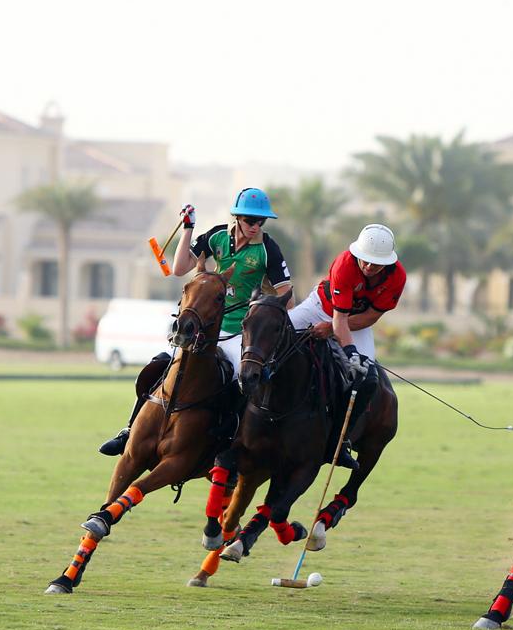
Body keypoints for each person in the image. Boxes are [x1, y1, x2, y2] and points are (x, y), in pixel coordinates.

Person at [98, 188, 292, 455]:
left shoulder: (267, 249)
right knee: (159, 365)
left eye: (261, 221)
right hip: (204, 327)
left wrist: (261, 314)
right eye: (250, 220)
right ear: (236, 217)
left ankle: (230, 446)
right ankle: (130, 430)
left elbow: (286, 297)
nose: (255, 226)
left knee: (241, 382)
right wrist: (188, 228)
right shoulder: (217, 236)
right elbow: (178, 268)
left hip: (240, 332)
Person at [288, 223, 406, 465]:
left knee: (367, 378)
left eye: (375, 262)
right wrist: (346, 347)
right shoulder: (345, 264)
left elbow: (370, 317)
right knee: (275, 339)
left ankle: (339, 444)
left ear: (388, 263)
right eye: (365, 260)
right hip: (319, 308)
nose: (369, 266)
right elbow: (337, 318)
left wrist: (338, 339)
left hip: (356, 322)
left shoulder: (397, 277)